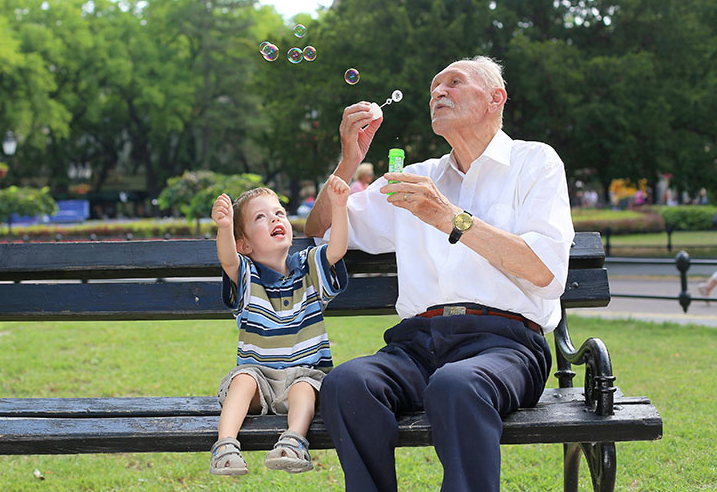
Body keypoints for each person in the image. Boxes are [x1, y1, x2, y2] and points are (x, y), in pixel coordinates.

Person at [305, 56, 573, 492]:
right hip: (418, 344)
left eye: (453, 83)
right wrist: (348, 162)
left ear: (495, 98)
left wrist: (449, 216)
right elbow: (319, 231)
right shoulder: (414, 178)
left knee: (456, 384)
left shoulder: (534, 163)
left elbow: (544, 271)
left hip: (505, 344)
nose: (438, 93)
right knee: (346, 383)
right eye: (433, 89)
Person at [209, 177, 350, 475]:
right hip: (260, 382)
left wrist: (339, 207)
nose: (275, 218)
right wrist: (224, 227)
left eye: (279, 213)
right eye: (261, 217)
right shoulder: (247, 277)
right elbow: (228, 260)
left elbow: (335, 250)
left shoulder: (309, 268)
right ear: (244, 244)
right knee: (242, 378)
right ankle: (225, 446)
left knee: (304, 387)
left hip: (303, 378)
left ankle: (294, 441)